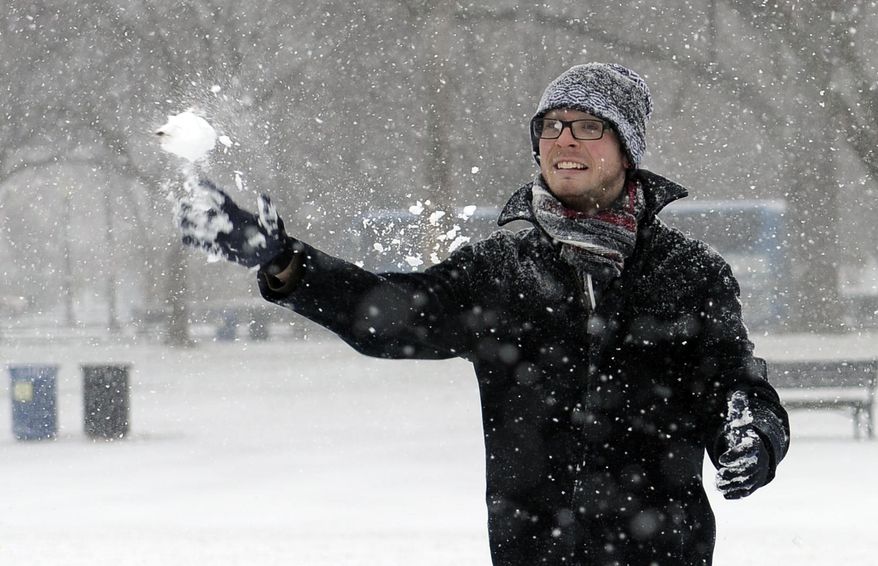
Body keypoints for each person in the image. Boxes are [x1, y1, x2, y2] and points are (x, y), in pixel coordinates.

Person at [176, 63, 790, 566]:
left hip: (664, 551)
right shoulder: (499, 271)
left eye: (586, 126)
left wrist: (752, 436)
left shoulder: (689, 272)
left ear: (626, 148)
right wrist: (288, 262)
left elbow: (736, 387)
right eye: (550, 127)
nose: (563, 140)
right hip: (535, 552)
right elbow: (391, 317)